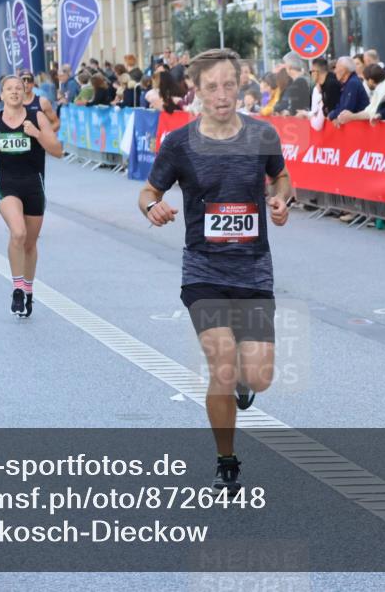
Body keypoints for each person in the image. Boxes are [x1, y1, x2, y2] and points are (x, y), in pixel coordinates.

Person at [138, 48, 292, 495]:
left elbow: (281, 178)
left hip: (254, 270)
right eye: (212, 87)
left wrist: (281, 199)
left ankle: (246, 381)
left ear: (241, 83)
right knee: (221, 363)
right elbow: (149, 190)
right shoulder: (179, 144)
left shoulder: (262, 135)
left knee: (257, 376)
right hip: (203, 269)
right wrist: (153, 207)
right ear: (196, 91)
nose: (222, 95)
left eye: (229, 85)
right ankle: (227, 459)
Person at [0, 75, 63, 317]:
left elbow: (57, 151)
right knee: (18, 232)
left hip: (34, 184)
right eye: (9, 89)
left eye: (19, 88)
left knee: (30, 244)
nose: (15, 92)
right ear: (2, 94)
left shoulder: (36, 117)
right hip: (6, 183)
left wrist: (37, 133)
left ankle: (28, 291)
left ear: (25, 91)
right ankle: (17, 288)